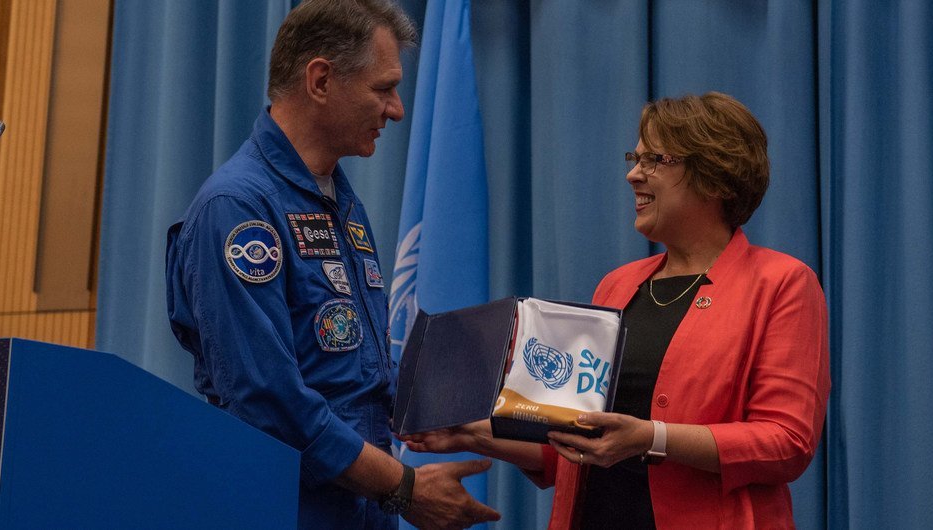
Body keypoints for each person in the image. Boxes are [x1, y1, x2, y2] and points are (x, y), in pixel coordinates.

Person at [402, 92, 830, 528]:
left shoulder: (782, 284)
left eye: (654, 161)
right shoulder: (618, 285)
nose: (632, 175)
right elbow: (571, 445)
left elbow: (787, 442)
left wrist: (650, 438)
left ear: (717, 177)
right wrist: (470, 434)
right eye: (635, 158)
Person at [164, 1, 499, 528]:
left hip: (363, 506)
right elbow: (267, 401)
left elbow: (357, 372)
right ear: (320, 80)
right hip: (288, 508)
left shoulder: (340, 201)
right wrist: (406, 487)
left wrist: (460, 420)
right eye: (383, 88)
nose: (397, 110)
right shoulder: (238, 208)